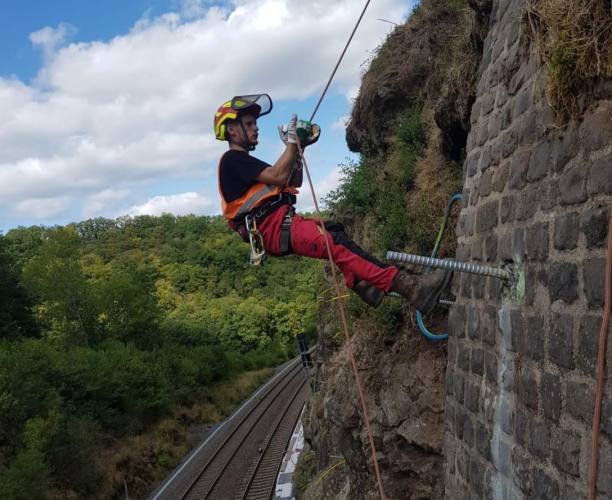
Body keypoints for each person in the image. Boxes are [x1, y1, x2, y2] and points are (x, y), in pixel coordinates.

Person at [214, 94, 450, 311]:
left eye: (254, 123)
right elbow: (277, 175)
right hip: (273, 227)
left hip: (278, 224)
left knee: (335, 230)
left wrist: (299, 149)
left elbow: (291, 179)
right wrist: (292, 143)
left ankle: (363, 283)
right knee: (334, 244)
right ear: (232, 130)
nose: (255, 128)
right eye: (249, 124)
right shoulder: (232, 160)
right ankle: (413, 289)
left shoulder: (245, 164)